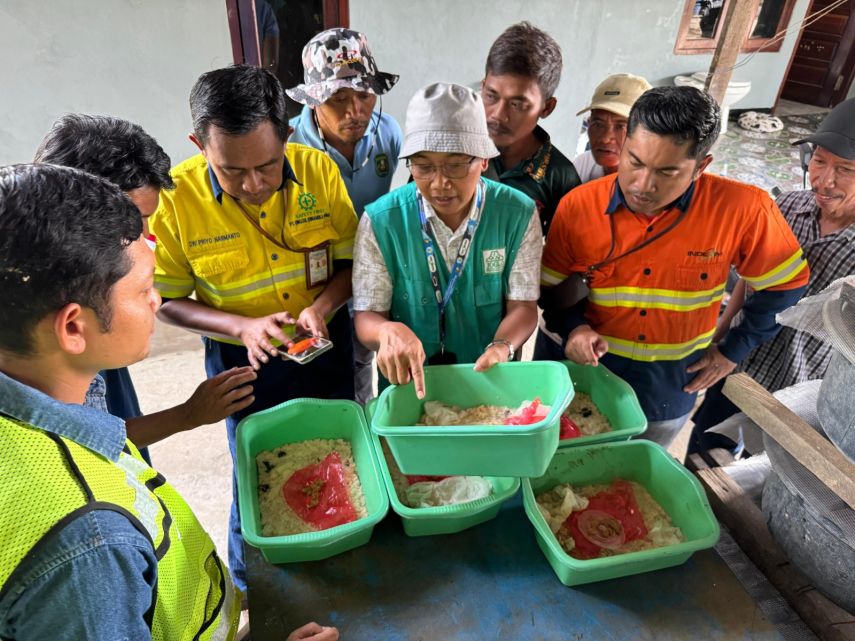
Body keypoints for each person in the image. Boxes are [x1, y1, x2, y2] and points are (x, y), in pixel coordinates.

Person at [0, 163, 338, 641]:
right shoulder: (89, 547)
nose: (158, 301)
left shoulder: (60, 392)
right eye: (144, 289)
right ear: (73, 327)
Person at [150, 64, 358, 591]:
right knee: (257, 473)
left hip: (325, 346)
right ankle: (252, 588)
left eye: (267, 166)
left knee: (340, 455)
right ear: (199, 144)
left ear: (287, 134)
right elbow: (167, 300)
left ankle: (342, 553)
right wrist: (240, 326)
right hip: (241, 365)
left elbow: (351, 264)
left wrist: (325, 306)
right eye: (231, 172)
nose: (254, 184)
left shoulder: (319, 172)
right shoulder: (174, 200)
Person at [539, 86, 809, 447]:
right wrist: (574, 329)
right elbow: (550, 293)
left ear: (701, 167)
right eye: (634, 161)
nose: (643, 185)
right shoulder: (579, 206)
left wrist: (734, 350)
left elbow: (787, 286)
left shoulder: (744, 210)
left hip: (669, 386)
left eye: (667, 171)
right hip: (587, 372)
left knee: (637, 474)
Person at [33, 113, 257, 456]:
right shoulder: (44, 320)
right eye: (133, 224)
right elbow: (88, 441)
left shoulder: (93, 281)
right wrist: (188, 414)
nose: (144, 241)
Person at [353, 82, 542, 398]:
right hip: (409, 388)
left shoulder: (517, 214)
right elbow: (367, 316)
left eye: (455, 165)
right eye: (423, 166)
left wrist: (501, 346)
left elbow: (523, 306)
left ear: (483, 160)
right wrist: (386, 331)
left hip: (490, 382)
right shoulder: (381, 221)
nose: (440, 183)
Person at [689, 97, 855, 454]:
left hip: (797, 385)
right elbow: (750, 281)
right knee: (704, 447)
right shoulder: (787, 206)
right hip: (738, 363)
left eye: (845, 169)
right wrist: (722, 330)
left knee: (757, 475)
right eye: (820, 161)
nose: (824, 181)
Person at [288, 27, 402, 404]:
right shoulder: (290, 149)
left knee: (366, 370)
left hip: (373, 277)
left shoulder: (389, 135)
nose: (356, 111)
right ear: (314, 101)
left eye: (365, 95)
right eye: (339, 98)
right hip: (317, 286)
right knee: (320, 378)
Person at [481, 21, 580, 234]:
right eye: (491, 95)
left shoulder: (561, 177)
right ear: (482, 86)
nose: (497, 114)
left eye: (517, 104)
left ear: (547, 107)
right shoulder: (450, 149)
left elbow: (560, 258)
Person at [573, 73, 653, 184]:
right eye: (598, 124)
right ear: (589, 123)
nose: (605, 139)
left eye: (621, 127)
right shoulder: (582, 165)